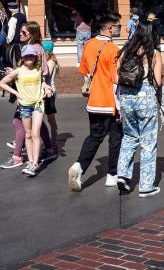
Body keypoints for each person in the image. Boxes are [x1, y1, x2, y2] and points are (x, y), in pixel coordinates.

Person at [68, 12, 123, 192]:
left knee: (94, 136)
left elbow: (85, 70)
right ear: (109, 28)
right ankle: (112, 175)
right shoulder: (113, 49)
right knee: (115, 138)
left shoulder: (89, 44)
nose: (119, 28)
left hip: (94, 100)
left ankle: (79, 166)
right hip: (110, 100)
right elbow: (116, 79)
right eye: (117, 25)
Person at [114, 20, 163, 197]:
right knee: (148, 143)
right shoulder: (154, 53)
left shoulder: (125, 51)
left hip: (126, 99)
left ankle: (123, 175)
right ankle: (146, 186)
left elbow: (116, 77)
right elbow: (158, 81)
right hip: (145, 99)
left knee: (129, 137)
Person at [0, 44, 48, 177]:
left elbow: (42, 81)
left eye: (32, 56)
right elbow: (2, 83)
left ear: (35, 57)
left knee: (36, 133)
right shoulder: (18, 71)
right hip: (25, 105)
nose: (29, 58)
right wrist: (16, 94)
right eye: (27, 56)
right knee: (28, 134)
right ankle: (31, 162)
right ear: (23, 58)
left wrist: (46, 87)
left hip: (38, 103)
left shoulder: (38, 69)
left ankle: (35, 164)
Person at [3, 1, 27, 68]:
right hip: (22, 41)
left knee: (13, 59)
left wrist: (8, 41)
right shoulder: (23, 16)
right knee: (21, 57)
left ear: (10, 9)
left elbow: (11, 31)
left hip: (14, 42)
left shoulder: (13, 18)